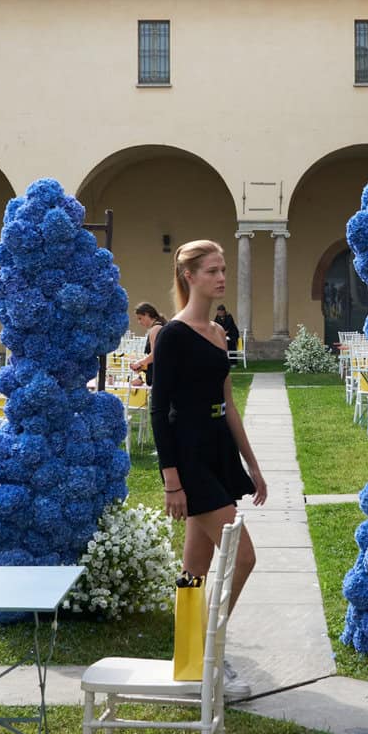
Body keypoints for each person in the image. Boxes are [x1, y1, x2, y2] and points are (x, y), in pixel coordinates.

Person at [151, 240, 268, 700]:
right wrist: (172, 482)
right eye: (212, 271)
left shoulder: (219, 333)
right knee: (244, 557)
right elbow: (160, 411)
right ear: (189, 277)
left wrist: (252, 465)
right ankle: (209, 654)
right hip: (191, 458)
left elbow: (229, 405)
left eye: (223, 269)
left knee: (194, 570)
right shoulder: (172, 335)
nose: (222, 278)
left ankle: (188, 663)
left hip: (220, 454)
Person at [127, 302, 165, 380]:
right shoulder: (161, 325)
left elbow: (155, 355)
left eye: (140, 318)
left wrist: (138, 363)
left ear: (147, 314)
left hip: (160, 377)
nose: (139, 322)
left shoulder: (155, 329)